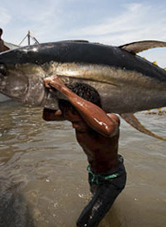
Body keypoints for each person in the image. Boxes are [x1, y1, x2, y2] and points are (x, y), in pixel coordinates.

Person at [41, 76, 124, 227]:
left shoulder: (111, 119)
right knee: (99, 208)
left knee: (84, 223)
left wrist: (63, 89)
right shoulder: (74, 114)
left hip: (112, 179)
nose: (74, 126)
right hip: (93, 174)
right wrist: (52, 93)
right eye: (71, 122)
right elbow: (47, 116)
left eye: (77, 123)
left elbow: (108, 128)